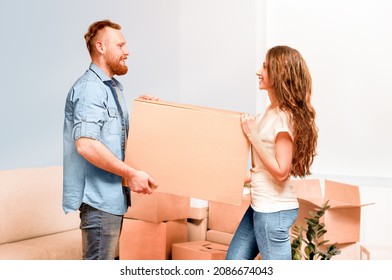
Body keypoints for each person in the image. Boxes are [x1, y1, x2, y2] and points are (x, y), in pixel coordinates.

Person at [63, 19, 159, 260]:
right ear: (101, 47)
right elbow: (86, 144)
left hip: (112, 201)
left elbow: (114, 140)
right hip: (99, 203)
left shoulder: (112, 88)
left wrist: (147, 114)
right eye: (121, 45)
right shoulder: (90, 89)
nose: (127, 51)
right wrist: (131, 174)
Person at [226, 45, 318, 260]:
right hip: (260, 206)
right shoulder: (271, 111)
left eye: (265, 67)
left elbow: (281, 172)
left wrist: (253, 136)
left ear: (279, 73)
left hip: (273, 212)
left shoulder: (284, 117)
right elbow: (262, 170)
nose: (259, 71)